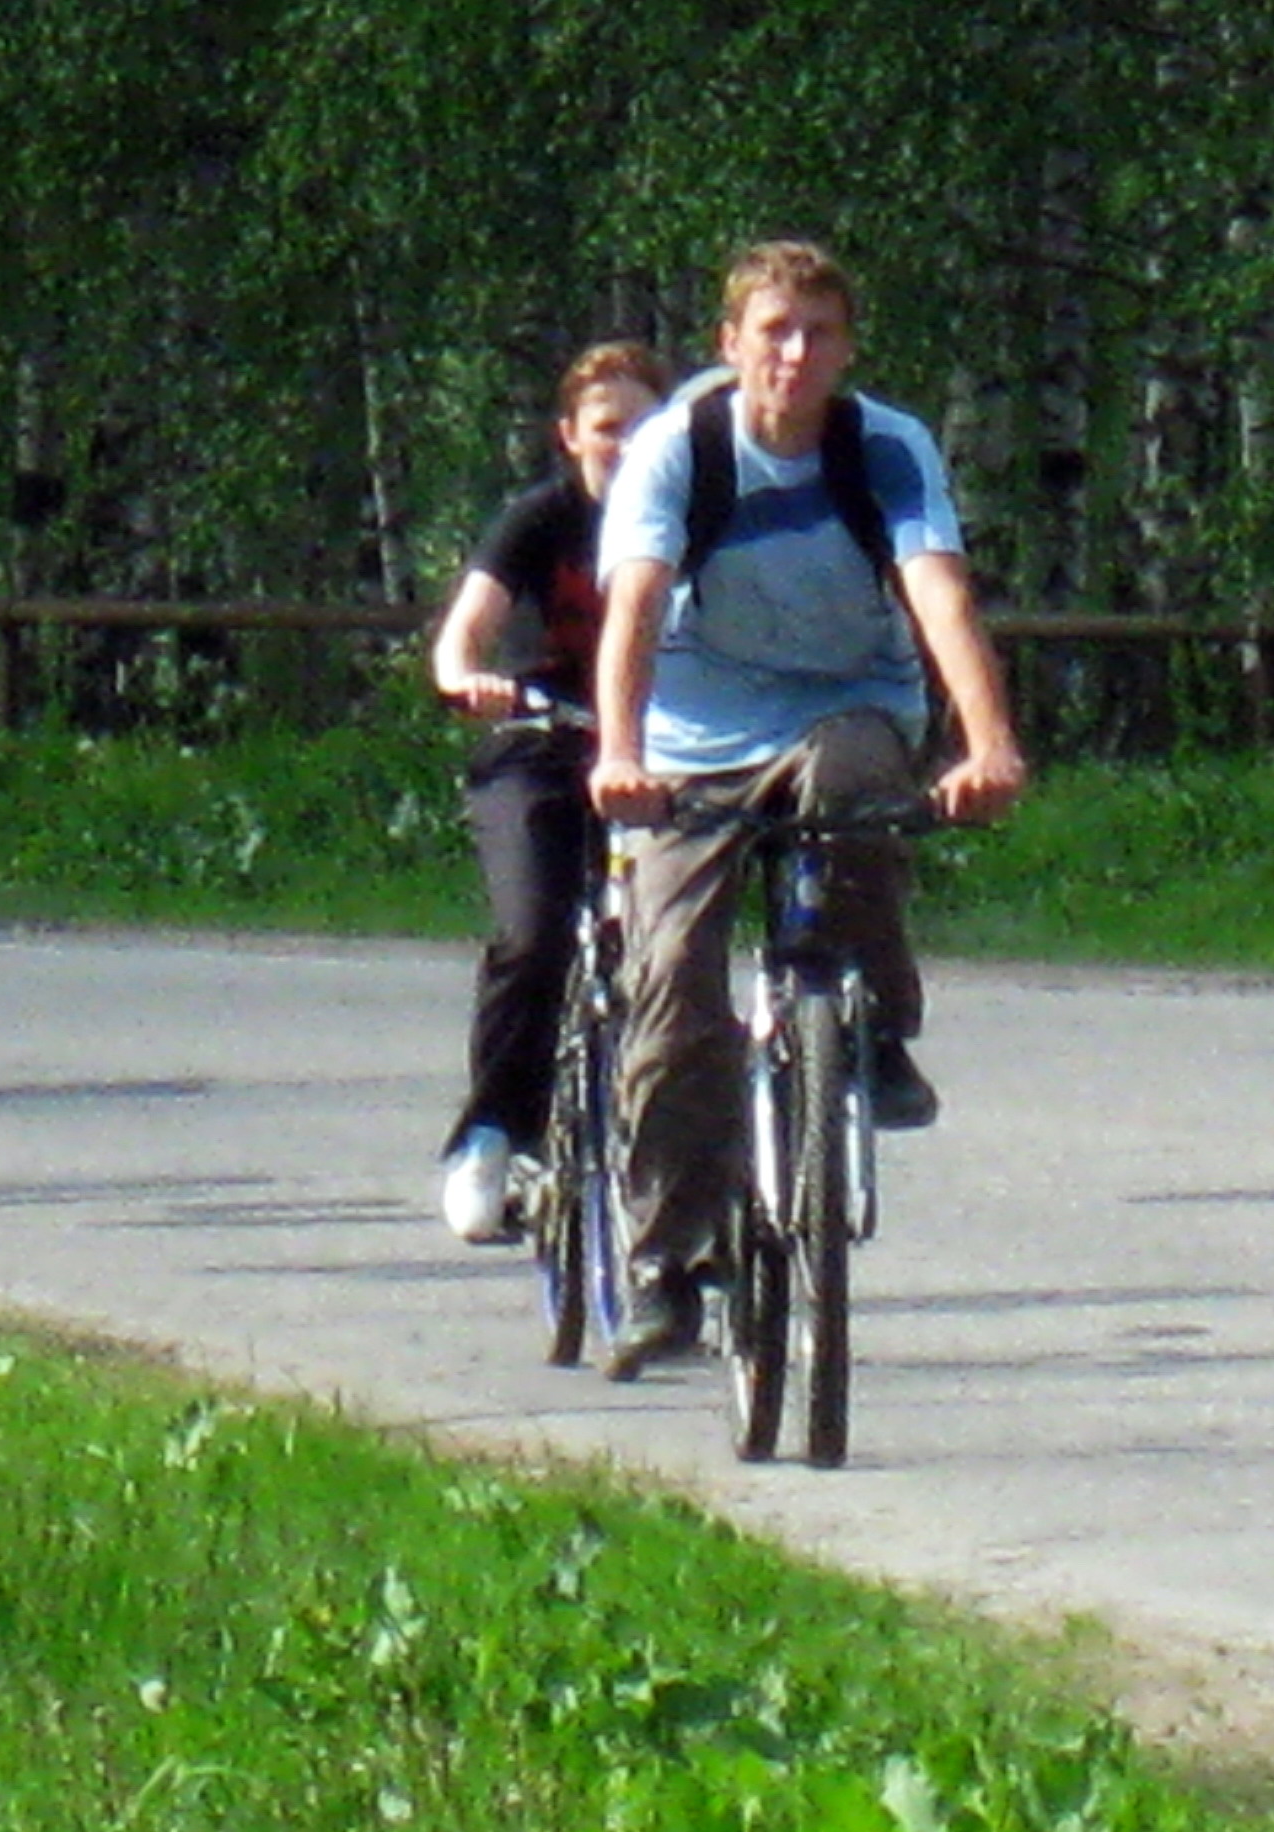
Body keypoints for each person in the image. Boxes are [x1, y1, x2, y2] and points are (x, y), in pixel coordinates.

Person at [586, 239, 1027, 1376]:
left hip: (845, 703)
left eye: (817, 333)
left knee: (860, 792)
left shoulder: (884, 447)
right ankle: (666, 1268)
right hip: (694, 734)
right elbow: (634, 609)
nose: (794, 354)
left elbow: (939, 598)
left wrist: (988, 746)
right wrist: (622, 754)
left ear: (846, 350)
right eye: (773, 331)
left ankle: (869, 1026)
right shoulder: (679, 449)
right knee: (671, 983)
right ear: (730, 345)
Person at [429, 338, 671, 1243]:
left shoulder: (691, 518)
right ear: (570, 435)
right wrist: (467, 677)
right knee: (535, 937)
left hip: (654, 751)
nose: (624, 445)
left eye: (643, 427)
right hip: (542, 745)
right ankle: (492, 1135)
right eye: (606, 427)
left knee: (671, 954)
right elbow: (465, 632)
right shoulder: (540, 520)